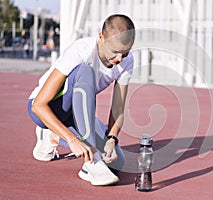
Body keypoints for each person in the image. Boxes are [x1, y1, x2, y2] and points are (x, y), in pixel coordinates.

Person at [27, 14, 135, 186]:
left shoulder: (126, 61)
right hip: (49, 109)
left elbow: (118, 108)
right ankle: (91, 163)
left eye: (125, 52)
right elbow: (38, 105)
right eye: (115, 52)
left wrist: (112, 139)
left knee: (117, 162)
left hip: (78, 114)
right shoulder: (81, 50)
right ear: (101, 38)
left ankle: (53, 136)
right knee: (85, 71)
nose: (120, 59)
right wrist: (72, 140)